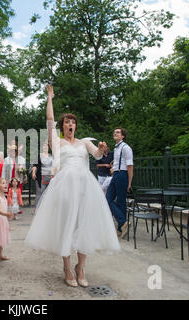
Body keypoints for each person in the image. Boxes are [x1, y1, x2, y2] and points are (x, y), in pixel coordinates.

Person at [25, 84, 120, 288]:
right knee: (67, 224)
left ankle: (81, 267)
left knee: (84, 225)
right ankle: (67, 267)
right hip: (65, 187)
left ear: (76, 126)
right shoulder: (57, 142)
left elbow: (96, 154)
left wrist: (103, 149)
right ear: (63, 126)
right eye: (67, 122)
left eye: (73, 122)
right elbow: (49, 120)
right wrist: (50, 97)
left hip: (85, 187)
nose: (70, 124)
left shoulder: (84, 142)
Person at [106, 128, 134, 239]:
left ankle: (120, 228)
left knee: (121, 201)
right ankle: (123, 222)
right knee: (108, 198)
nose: (115, 133)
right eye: (114, 132)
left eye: (118, 132)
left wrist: (129, 182)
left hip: (123, 175)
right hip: (116, 175)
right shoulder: (116, 148)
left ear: (123, 136)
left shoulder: (126, 148)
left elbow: (130, 166)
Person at [32, 142, 53, 206]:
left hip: (51, 177)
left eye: (46, 146)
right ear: (42, 147)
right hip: (41, 176)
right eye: (44, 146)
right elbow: (35, 165)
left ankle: (47, 208)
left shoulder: (52, 156)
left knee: (49, 193)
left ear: (48, 148)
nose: (45, 147)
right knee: (40, 192)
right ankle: (37, 209)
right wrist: (33, 173)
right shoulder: (39, 155)